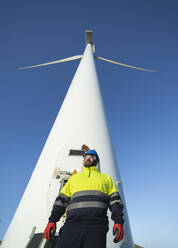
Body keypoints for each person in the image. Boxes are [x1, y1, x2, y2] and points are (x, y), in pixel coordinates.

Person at [43, 149, 124, 248]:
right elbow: (61, 201)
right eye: (86, 157)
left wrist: (118, 221)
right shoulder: (74, 178)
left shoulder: (106, 179)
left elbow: (115, 202)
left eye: (91, 156)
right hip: (71, 226)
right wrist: (52, 220)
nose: (87, 159)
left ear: (96, 160)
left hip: (97, 227)